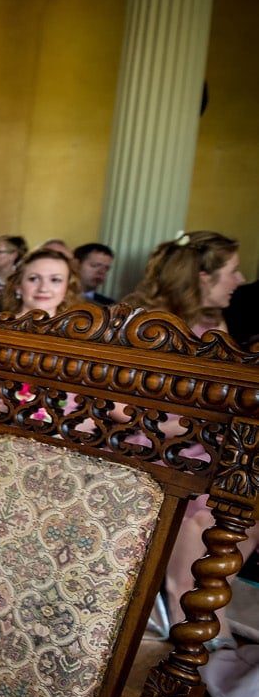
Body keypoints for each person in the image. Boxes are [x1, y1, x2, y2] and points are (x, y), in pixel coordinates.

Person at [121, 232, 251, 652]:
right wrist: (193, 422)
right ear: (201, 275)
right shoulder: (148, 324)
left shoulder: (216, 324)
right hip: (145, 444)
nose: (241, 279)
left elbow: (226, 393)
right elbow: (122, 410)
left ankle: (212, 610)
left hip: (201, 441)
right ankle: (185, 614)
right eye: (232, 270)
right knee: (201, 509)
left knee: (243, 495)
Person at [1, 248, 81, 317]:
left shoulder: (79, 333)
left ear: (67, 288)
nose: (43, 288)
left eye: (55, 280)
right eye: (34, 279)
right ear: (18, 286)